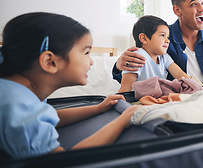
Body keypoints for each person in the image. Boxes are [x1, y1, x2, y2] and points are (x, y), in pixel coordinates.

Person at [0, 12, 139, 159]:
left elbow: (50, 115)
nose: (91, 62)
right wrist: (123, 121)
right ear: (50, 62)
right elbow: (65, 162)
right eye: (86, 52)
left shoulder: (18, 94)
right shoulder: (21, 110)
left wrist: (98, 108)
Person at [118, 15, 189, 93]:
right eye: (162, 35)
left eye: (168, 37)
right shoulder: (136, 56)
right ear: (144, 39)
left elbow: (182, 76)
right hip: (137, 98)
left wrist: (194, 86)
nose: (168, 41)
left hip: (157, 97)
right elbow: (125, 90)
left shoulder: (164, 57)